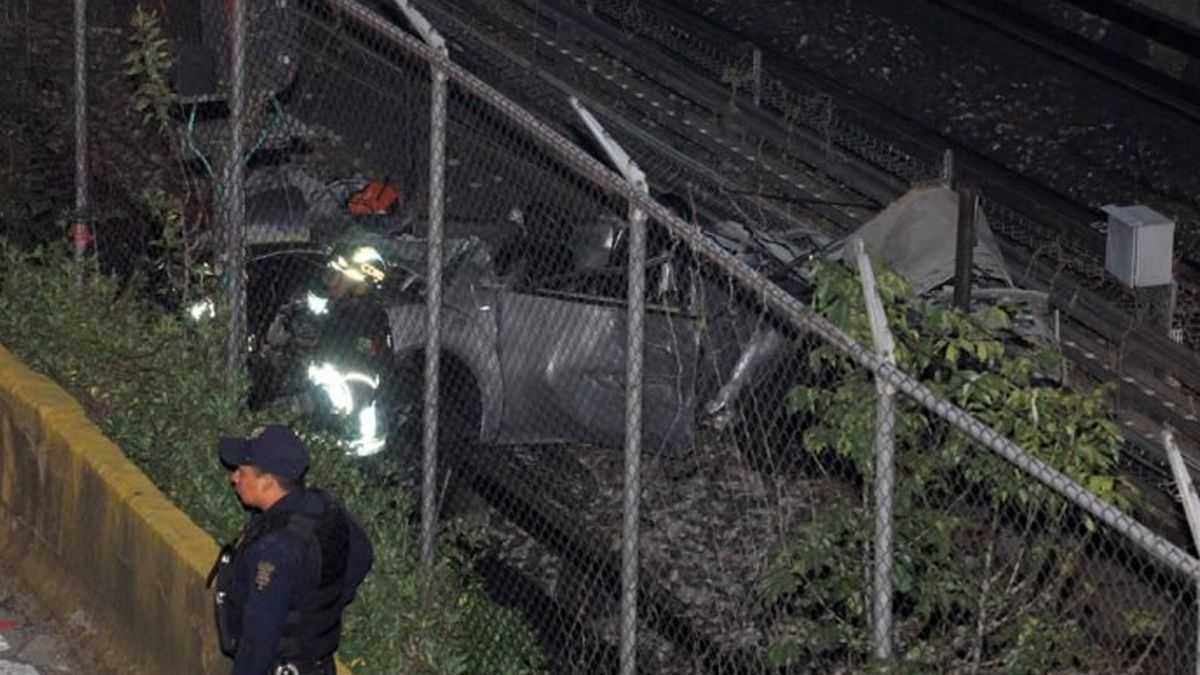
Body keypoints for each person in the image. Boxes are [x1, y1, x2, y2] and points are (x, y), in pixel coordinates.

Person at [208, 425, 373, 675]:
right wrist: (321, 606)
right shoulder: (323, 508)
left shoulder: (275, 550)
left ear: (266, 482)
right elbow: (362, 554)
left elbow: (259, 640)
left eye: (242, 471)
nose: (234, 478)